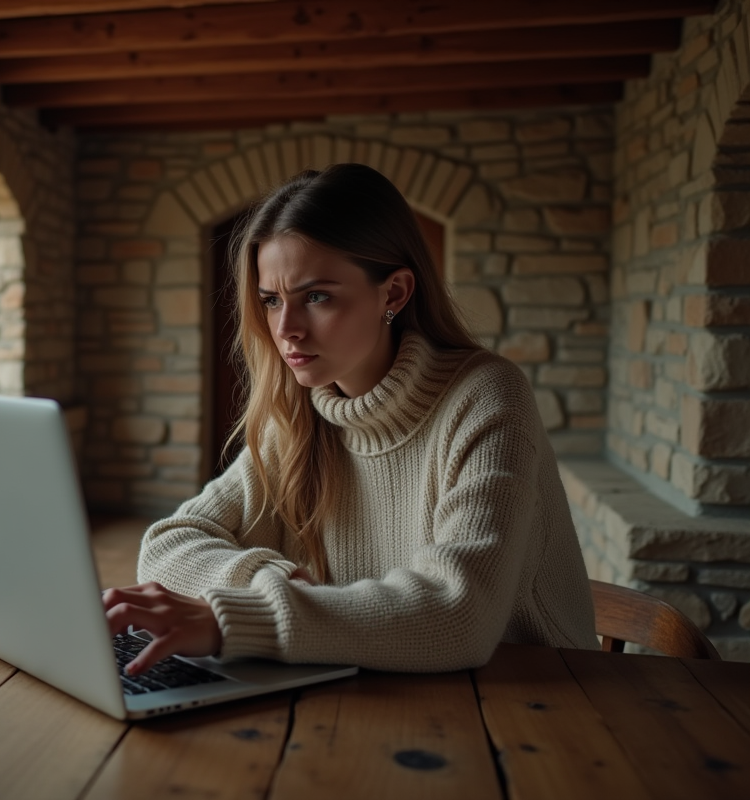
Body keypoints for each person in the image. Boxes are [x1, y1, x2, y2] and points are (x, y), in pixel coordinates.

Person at [102, 163, 597, 676]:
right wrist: (271, 583)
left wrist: (238, 621)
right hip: (373, 685)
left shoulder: (486, 397)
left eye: (317, 296)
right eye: (271, 300)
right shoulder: (299, 414)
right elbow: (167, 545)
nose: (286, 328)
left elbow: (458, 615)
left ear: (394, 293)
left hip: (533, 691)